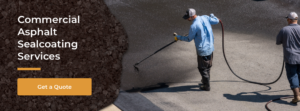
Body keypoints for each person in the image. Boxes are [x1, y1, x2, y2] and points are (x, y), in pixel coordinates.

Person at [174, 8, 219, 91]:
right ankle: (205, 80)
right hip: (210, 47)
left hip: (202, 50)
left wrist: (178, 37)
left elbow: (188, 39)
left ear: (192, 16)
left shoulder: (194, 26)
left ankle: (206, 86)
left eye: (188, 17)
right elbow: (216, 21)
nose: (187, 19)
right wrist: (212, 15)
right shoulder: (205, 17)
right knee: (208, 66)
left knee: (202, 68)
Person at [276, 12, 300, 103]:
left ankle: (297, 96)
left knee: (292, 75)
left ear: (289, 20)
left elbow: (278, 42)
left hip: (291, 58)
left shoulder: (284, 30)